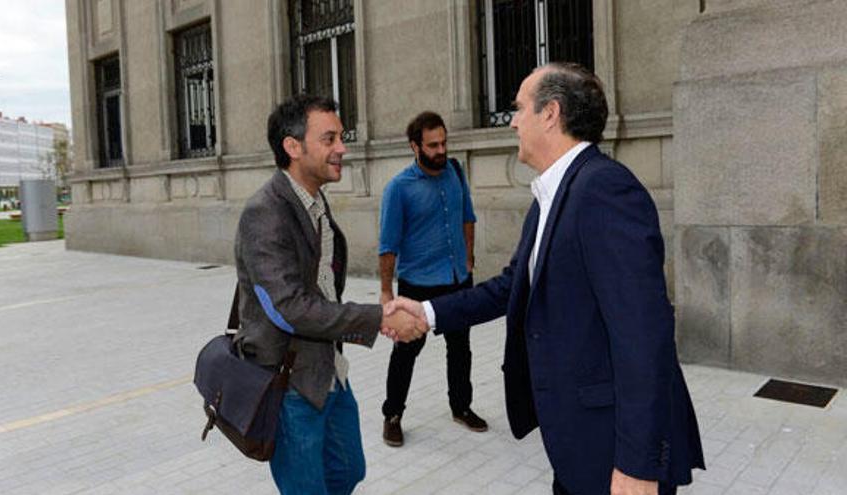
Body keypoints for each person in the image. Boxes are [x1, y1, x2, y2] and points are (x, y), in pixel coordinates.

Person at [386, 63, 705, 495]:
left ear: (550, 113)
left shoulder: (605, 191)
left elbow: (644, 336)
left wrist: (638, 463)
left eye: (520, 108)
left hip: (614, 451)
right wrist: (427, 310)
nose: (514, 120)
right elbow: (512, 284)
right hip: (576, 441)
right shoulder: (556, 192)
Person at [233, 94, 421, 495]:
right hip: (290, 384)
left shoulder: (314, 201)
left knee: (348, 470)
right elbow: (289, 309)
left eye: (341, 137)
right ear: (292, 146)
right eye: (330, 138)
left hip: (331, 369)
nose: (342, 148)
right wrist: (379, 317)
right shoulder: (265, 212)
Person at [378, 111, 487, 447]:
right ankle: (393, 415)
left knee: (461, 347)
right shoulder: (399, 188)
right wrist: (386, 292)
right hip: (418, 285)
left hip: (456, 277)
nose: (441, 150)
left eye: (444, 142)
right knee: (406, 352)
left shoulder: (455, 171)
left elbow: (467, 217)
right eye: (433, 145)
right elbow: (388, 245)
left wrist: (468, 259)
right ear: (415, 146)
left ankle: (461, 406)